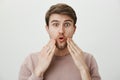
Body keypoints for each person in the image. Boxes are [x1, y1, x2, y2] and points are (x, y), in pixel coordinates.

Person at [19, 3, 101, 80]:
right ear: (47, 29)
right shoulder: (30, 61)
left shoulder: (88, 60)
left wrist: (84, 69)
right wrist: (38, 71)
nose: (61, 31)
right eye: (55, 24)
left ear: (74, 29)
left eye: (67, 25)